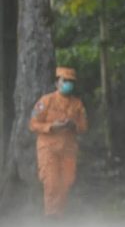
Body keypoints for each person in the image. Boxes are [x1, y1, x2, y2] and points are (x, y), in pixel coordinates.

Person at [28, 67, 88, 217]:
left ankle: (60, 215)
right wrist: (52, 126)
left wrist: (73, 125)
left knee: (67, 182)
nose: (68, 84)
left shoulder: (77, 104)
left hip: (68, 148)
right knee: (51, 183)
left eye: (71, 81)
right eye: (65, 81)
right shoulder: (45, 101)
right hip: (48, 148)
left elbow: (84, 126)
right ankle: (52, 218)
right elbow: (33, 124)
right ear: (57, 83)